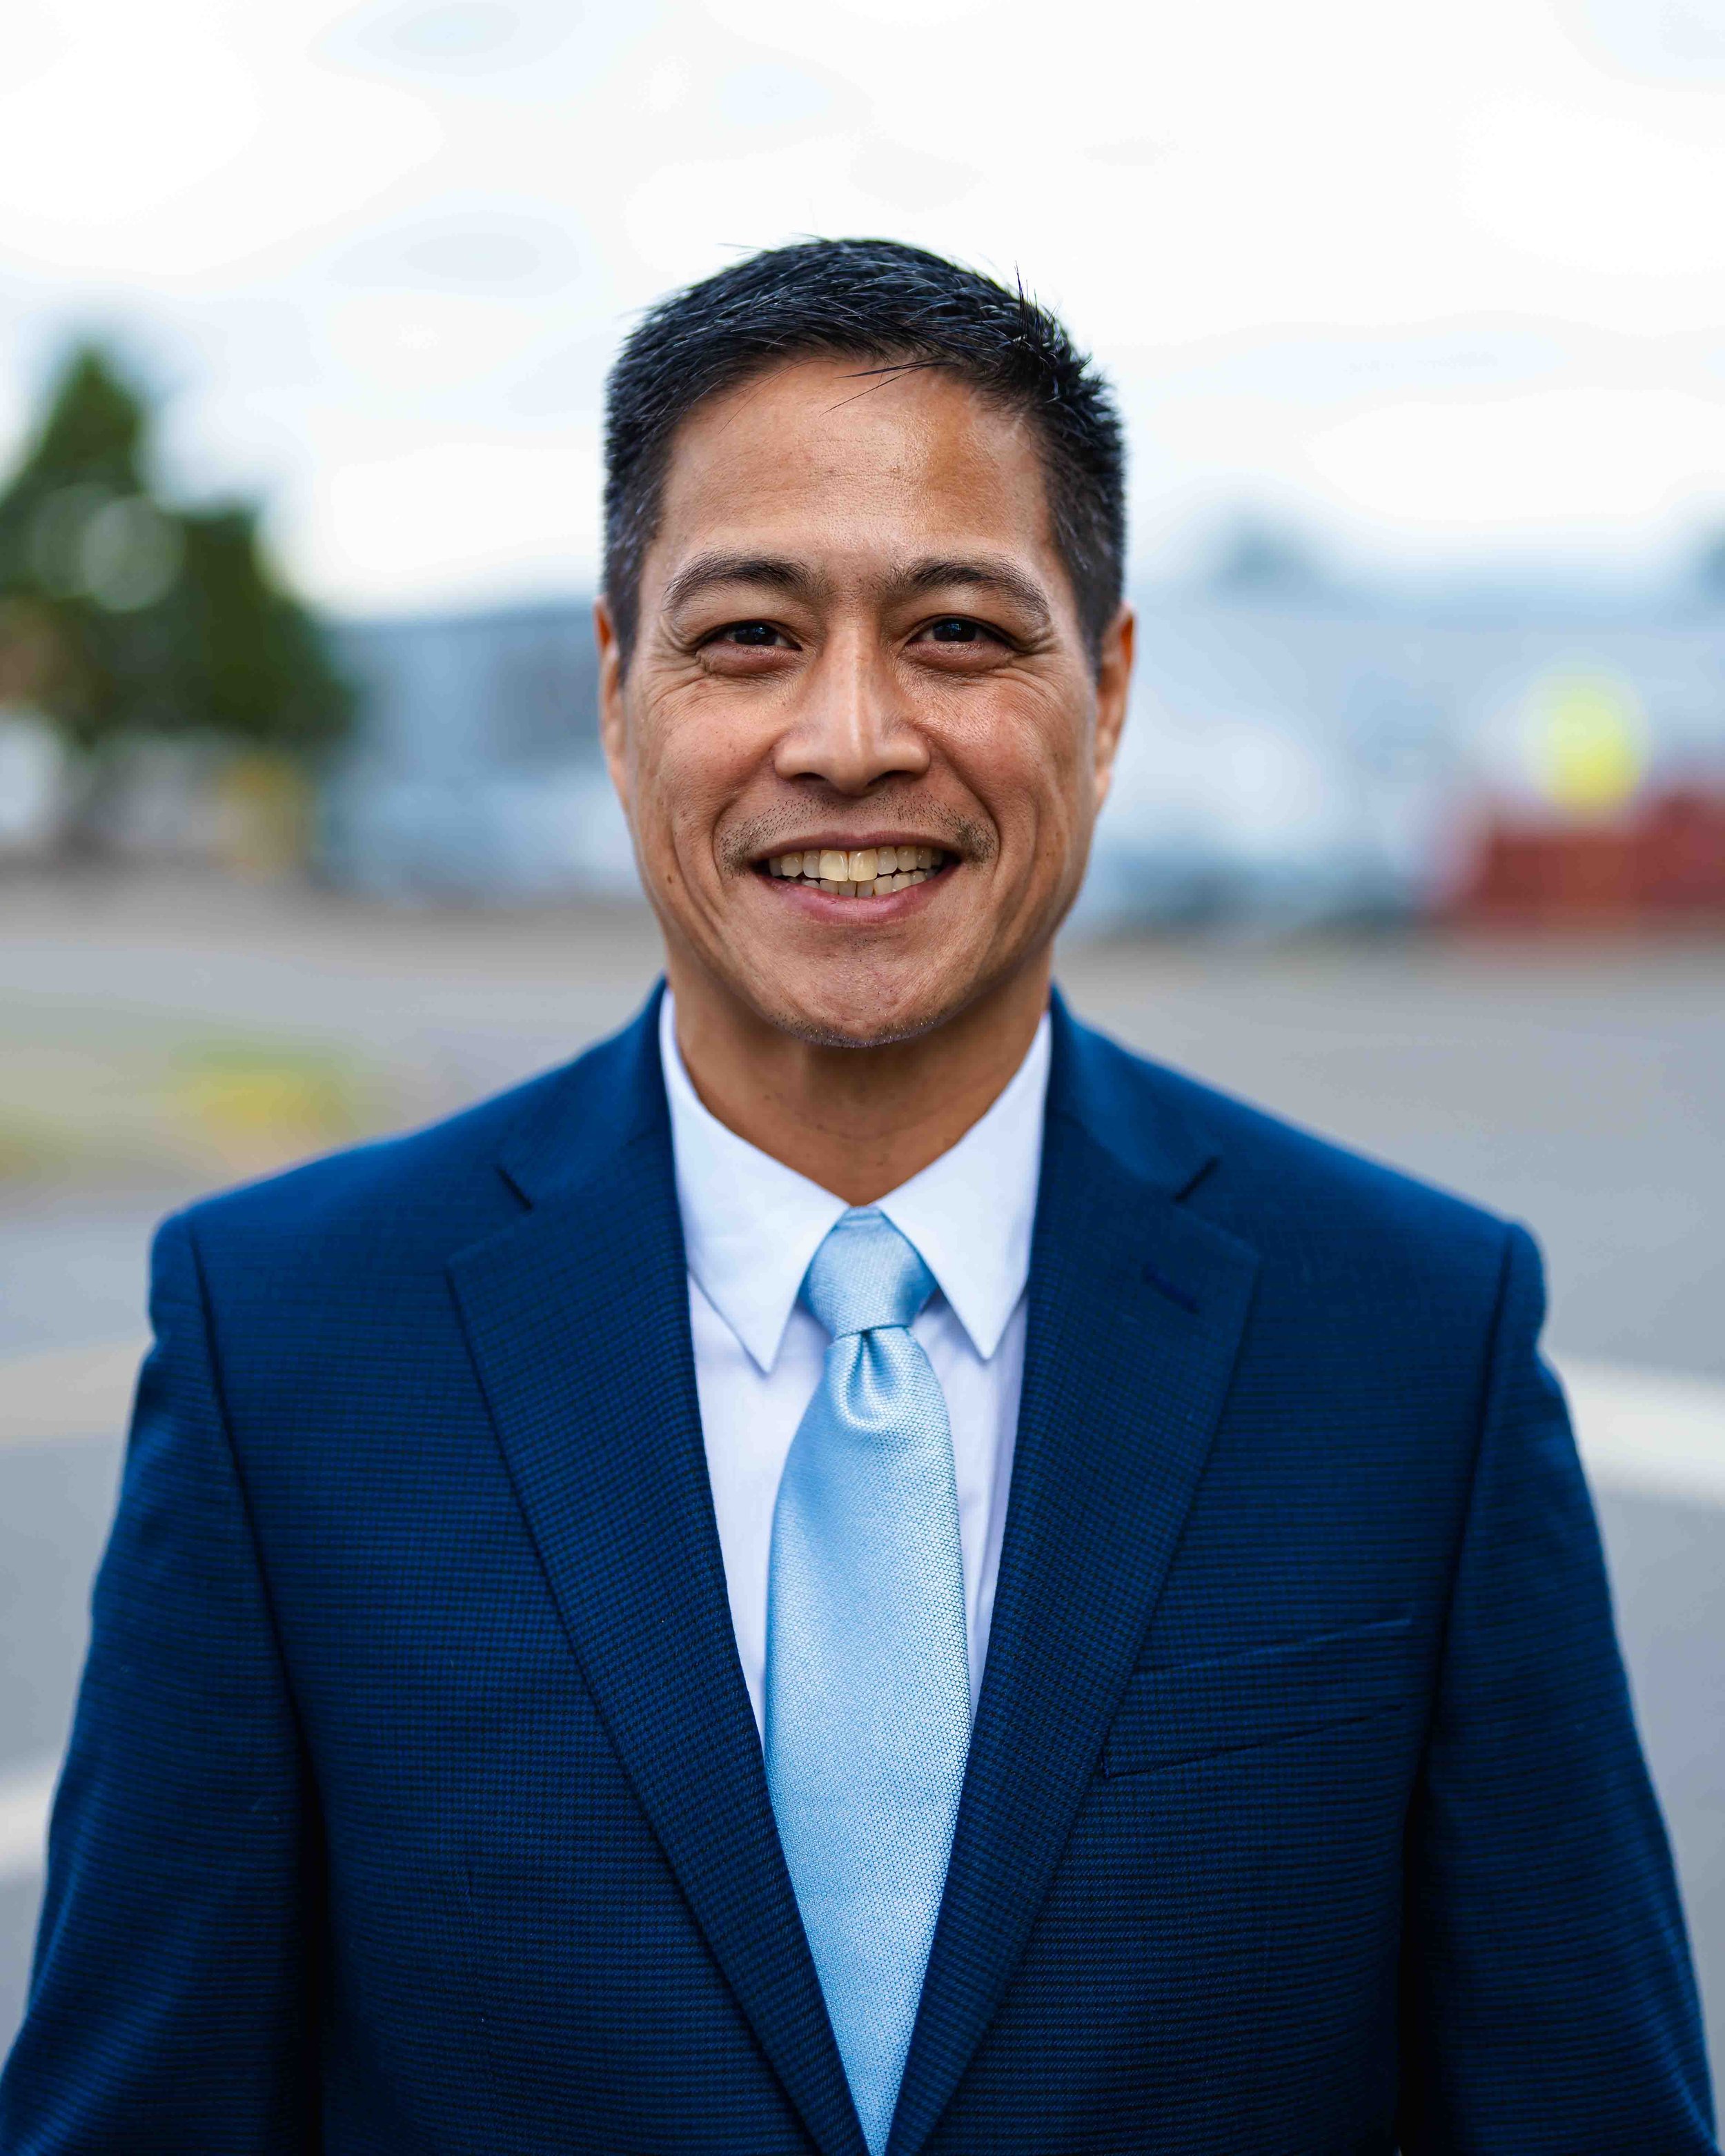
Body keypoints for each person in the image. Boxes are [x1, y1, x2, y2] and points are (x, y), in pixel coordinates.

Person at [0, 239, 1714, 2156]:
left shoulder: (1413, 1344)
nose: (847, 738)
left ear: (1112, 685)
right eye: (747, 636)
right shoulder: (291, 1343)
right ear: (614, 686)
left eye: (958, 633)